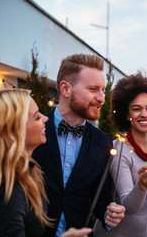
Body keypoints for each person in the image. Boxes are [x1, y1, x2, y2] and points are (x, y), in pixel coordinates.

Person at [0, 89, 92, 237]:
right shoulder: (7, 186)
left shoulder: (30, 170)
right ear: (14, 131)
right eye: (36, 117)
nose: (45, 119)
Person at [31, 53, 125, 237]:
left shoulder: (103, 142)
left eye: (103, 90)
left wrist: (109, 213)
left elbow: (100, 198)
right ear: (66, 89)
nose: (101, 98)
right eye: (93, 89)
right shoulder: (32, 129)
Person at [93, 73, 147, 236]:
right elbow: (128, 207)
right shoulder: (120, 150)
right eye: (137, 109)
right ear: (127, 114)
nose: (145, 114)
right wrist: (142, 185)